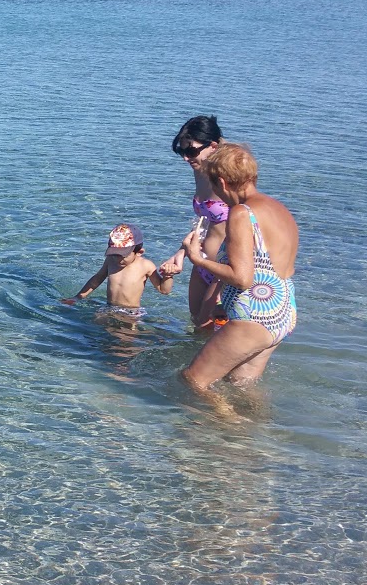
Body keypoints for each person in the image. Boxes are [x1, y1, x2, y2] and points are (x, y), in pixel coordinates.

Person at [181, 143, 299, 391]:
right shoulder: (279, 208)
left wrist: (198, 259)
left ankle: (232, 424)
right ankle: (253, 428)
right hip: (283, 312)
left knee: (193, 381)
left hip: (255, 316)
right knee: (240, 388)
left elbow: (242, 278)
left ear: (222, 183)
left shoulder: (241, 213)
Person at [156, 116, 229, 330]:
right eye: (182, 152)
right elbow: (204, 222)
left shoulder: (229, 178)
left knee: (215, 330)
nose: (185, 159)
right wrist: (181, 253)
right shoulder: (199, 173)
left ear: (213, 146)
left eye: (191, 151)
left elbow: (248, 222)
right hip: (200, 261)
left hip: (223, 268)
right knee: (198, 326)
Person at [62, 224, 174, 318]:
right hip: (109, 307)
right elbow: (97, 279)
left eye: (123, 255)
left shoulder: (145, 266)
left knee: (125, 338)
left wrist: (168, 276)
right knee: (96, 329)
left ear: (139, 251)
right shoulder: (110, 261)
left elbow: (164, 290)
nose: (117, 258)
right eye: (114, 254)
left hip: (131, 312)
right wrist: (78, 297)